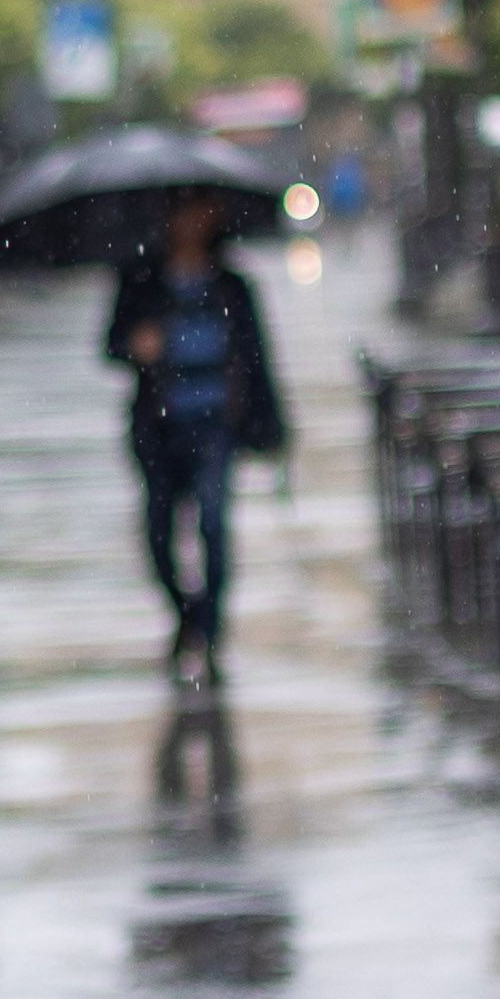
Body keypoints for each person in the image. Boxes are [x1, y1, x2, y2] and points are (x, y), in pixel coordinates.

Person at [104, 192, 287, 685]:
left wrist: (272, 428)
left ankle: (210, 633)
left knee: (213, 524)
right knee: (159, 533)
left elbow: (256, 358)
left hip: (216, 426)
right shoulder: (140, 277)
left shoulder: (232, 286)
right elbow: (111, 343)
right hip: (158, 428)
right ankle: (190, 618)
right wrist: (137, 344)